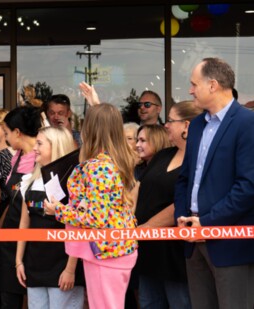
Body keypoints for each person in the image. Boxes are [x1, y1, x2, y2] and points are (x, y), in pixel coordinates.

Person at [175, 57, 254, 308]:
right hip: (193, 240)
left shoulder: (247, 123)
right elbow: (184, 178)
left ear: (213, 85)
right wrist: (183, 217)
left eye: (193, 84)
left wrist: (207, 223)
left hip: (230, 245)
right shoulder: (197, 125)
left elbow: (248, 187)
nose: (190, 90)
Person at [45, 103, 138, 309]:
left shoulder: (99, 167)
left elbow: (95, 218)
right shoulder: (113, 160)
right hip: (111, 249)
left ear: (90, 130)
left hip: (106, 252)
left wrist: (57, 210)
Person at [135, 101, 201, 309]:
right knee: (148, 304)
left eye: (171, 121)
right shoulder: (163, 155)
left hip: (175, 254)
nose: (166, 125)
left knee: (180, 303)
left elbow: (183, 202)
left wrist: (146, 228)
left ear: (187, 126)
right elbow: (140, 189)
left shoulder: (199, 159)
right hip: (148, 251)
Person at [15, 127, 84, 308]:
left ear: (56, 146)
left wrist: (70, 270)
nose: (34, 147)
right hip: (35, 264)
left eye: (40, 143)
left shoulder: (72, 183)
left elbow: (77, 226)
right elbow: (24, 222)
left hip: (62, 266)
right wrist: (18, 261)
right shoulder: (30, 179)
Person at [0, 105, 41, 309]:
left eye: (6, 133)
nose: (5, 138)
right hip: (9, 240)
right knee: (8, 299)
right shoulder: (16, 156)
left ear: (17, 132)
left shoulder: (42, 159)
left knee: (35, 299)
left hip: (33, 241)